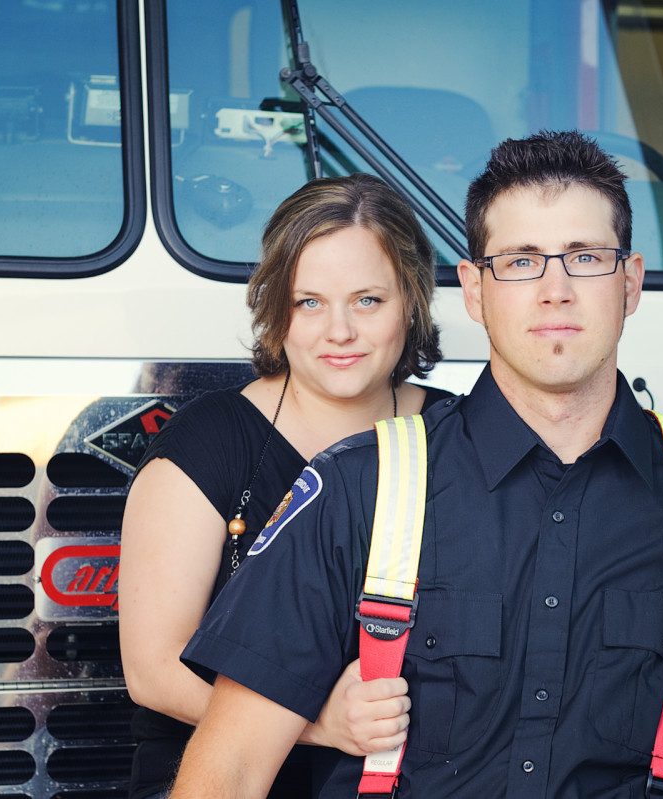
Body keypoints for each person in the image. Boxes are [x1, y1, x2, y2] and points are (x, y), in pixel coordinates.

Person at [169, 132, 663, 798]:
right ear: (473, 289)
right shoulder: (357, 490)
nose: (555, 290)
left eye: (585, 257)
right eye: (520, 261)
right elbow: (227, 771)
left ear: (630, 282)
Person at [118, 173, 453, 799]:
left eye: (368, 301)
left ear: (412, 301)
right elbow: (153, 671)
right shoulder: (211, 442)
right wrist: (321, 724)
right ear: (276, 309)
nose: (340, 332)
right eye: (310, 302)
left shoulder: (458, 436)